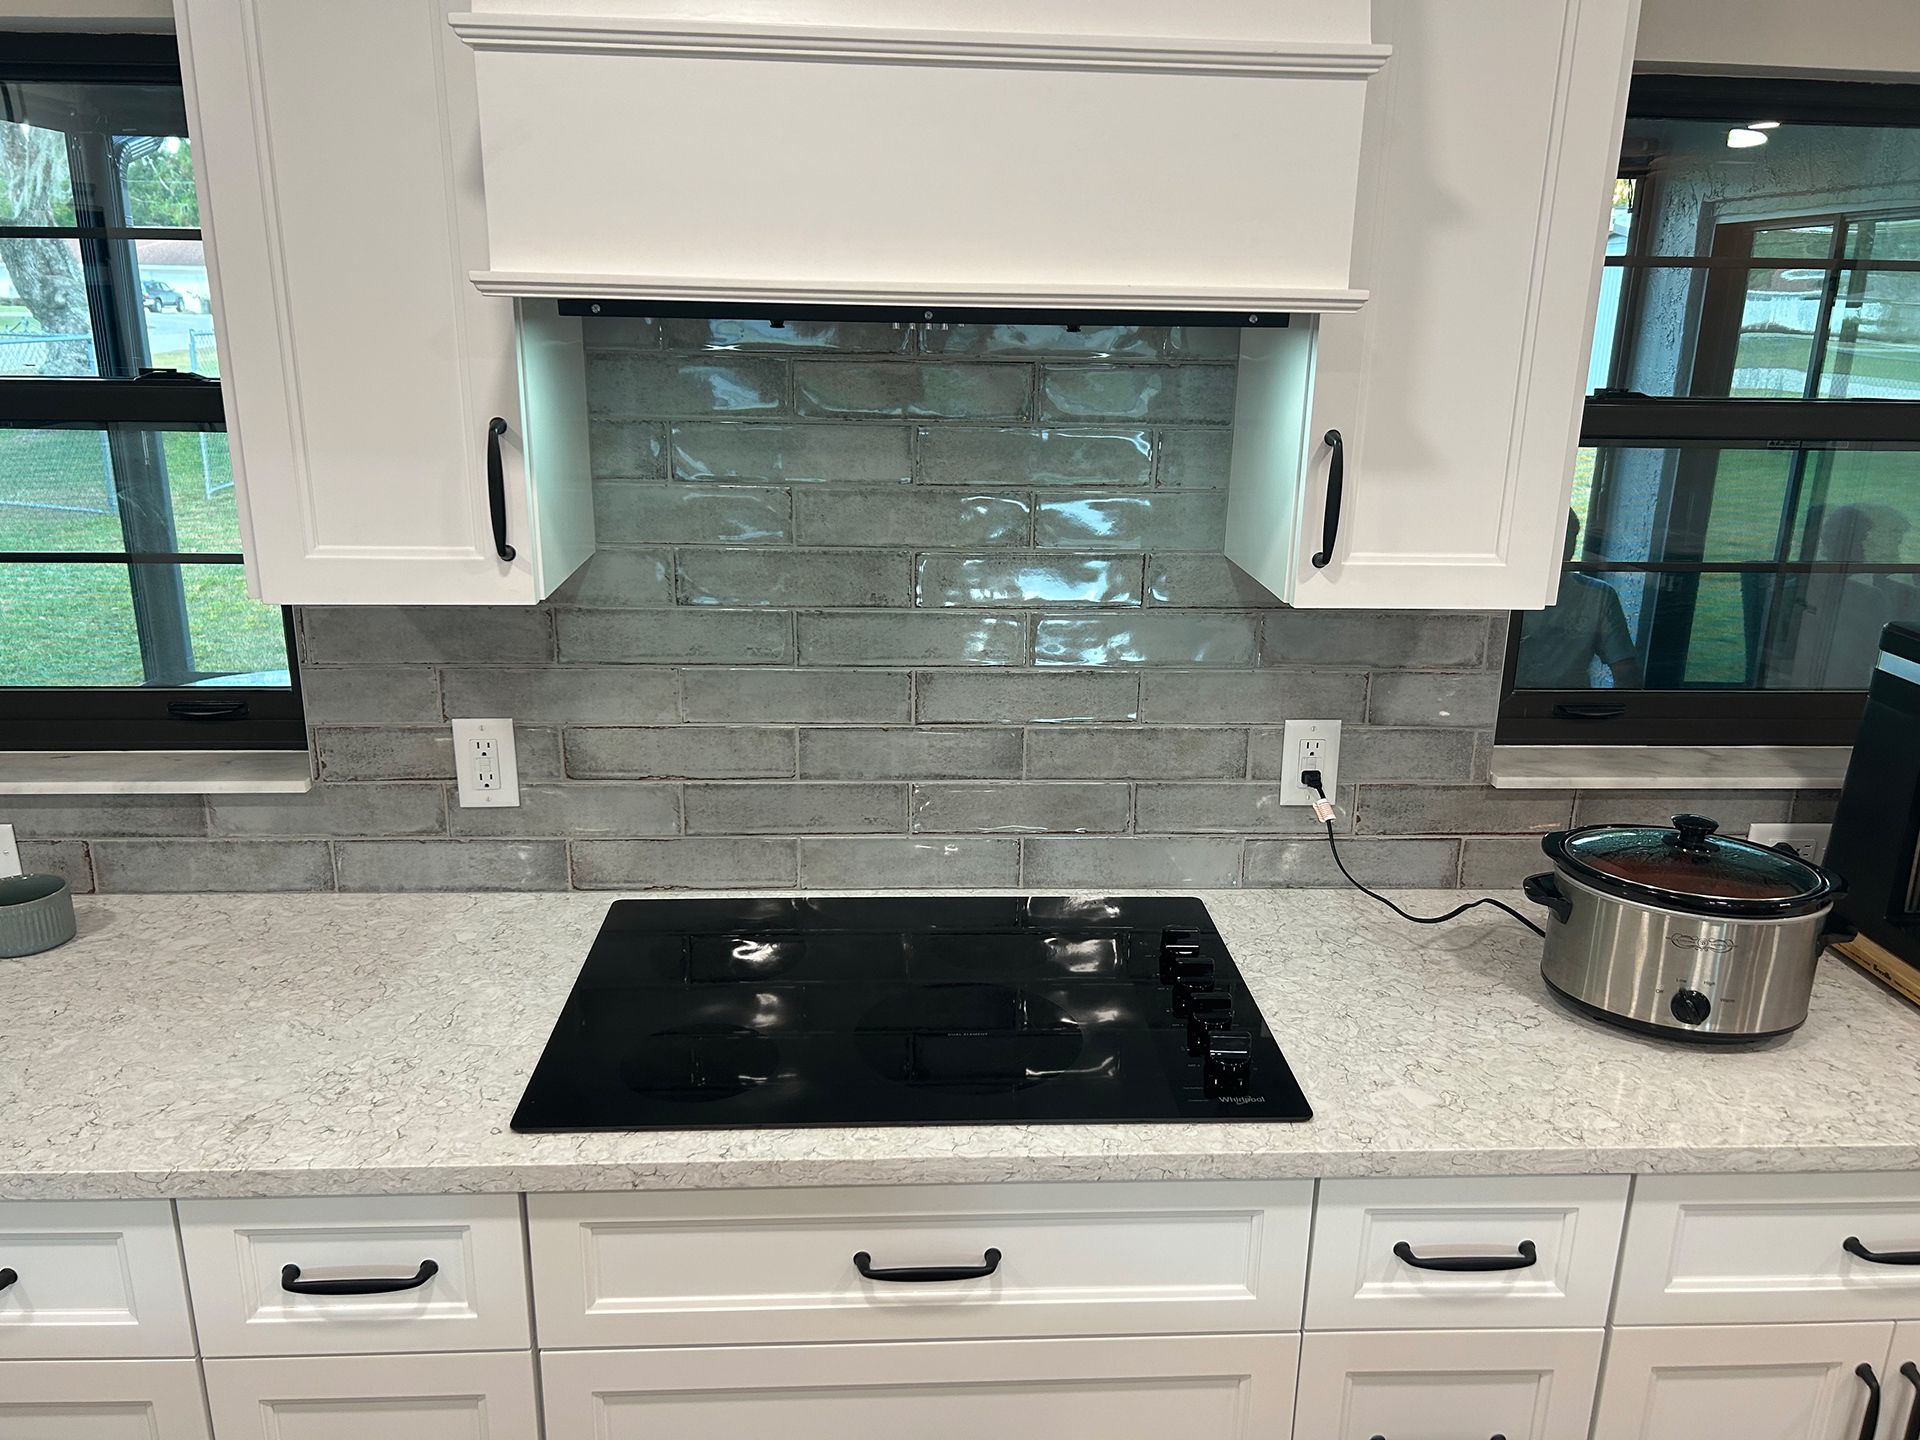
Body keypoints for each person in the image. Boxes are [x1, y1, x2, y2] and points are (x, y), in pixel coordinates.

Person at [1515, 510, 1644, 689]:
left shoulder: (1598, 596)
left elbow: (1627, 674)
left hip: (1567, 707)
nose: (1557, 546)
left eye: (1565, 537)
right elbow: (1627, 675)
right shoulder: (1597, 596)